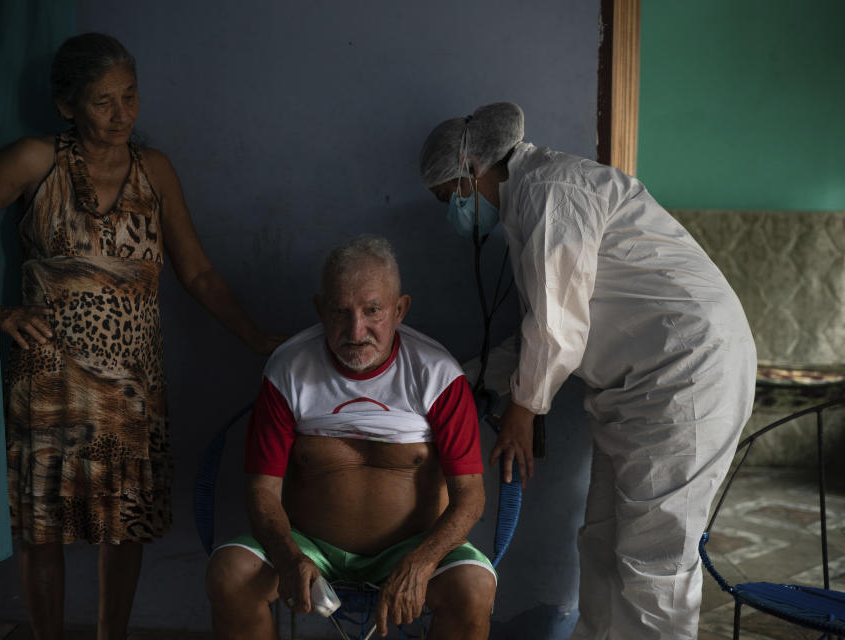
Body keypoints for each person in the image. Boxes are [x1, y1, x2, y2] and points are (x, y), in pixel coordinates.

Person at [419, 102, 757, 640]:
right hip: (641, 389)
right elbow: (539, 327)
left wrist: (522, 413)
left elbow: (557, 328)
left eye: (448, 197)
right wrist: (452, 378)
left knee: (656, 566)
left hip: (685, 376)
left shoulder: (551, 192)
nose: (452, 213)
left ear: (473, 171)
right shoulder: (533, 202)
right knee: (601, 545)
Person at [0, 33, 281, 640]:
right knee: (42, 523)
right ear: (67, 105)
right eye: (102, 101)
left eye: (130, 96)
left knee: (124, 522)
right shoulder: (33, 160)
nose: (122, 115)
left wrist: (257, 339)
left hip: (132, 382)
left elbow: (196, 272)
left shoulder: (156, 171)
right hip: (48, 378)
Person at [204, 235, 496, 640]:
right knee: (230, 573)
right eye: (341, 312)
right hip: (309, 549)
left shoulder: (439, 375)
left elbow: (471, 496)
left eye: (372, 311)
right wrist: (289, 557)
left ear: (400, 310)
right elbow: (261, 490)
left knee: (474, 588)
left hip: (414, 548)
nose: (356, 331)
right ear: (320, 309)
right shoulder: (288, 369)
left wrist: (421, 562)